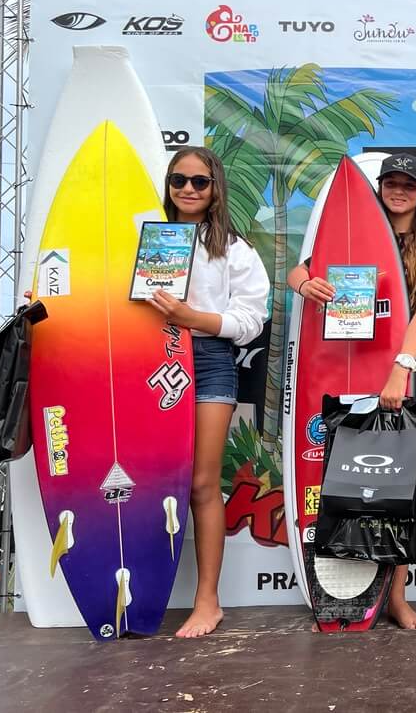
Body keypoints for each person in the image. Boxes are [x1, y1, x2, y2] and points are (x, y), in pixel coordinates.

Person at [290, 153, 416, 630]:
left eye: (410, 183)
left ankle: (397, 598)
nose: (399, 190)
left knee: (401, 493)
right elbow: (297, 272)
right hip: (347, 375)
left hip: (403, 377)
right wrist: (307, 285)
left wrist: (400, 369)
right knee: (353, 486)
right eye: (392, 182)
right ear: (380, 187)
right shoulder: (351, 237)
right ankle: (348, 589)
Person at [145, 147, 269, 639]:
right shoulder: (146, 239)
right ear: (168, 185)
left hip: (210, 359)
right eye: (179, 180)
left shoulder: (236, 249)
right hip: (149, 357)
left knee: (201, 482)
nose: (189, 190)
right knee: (148, 479)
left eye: (200, 181)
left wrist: (192, 319)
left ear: (216, 187)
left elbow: (251, 319)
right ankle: (136, 589)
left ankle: (208, 601)